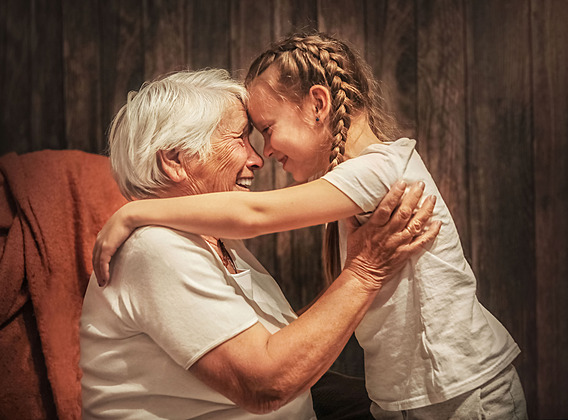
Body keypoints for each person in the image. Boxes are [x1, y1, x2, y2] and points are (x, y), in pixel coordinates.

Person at [93, 33, 527, 419]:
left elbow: (254, 216)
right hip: (418, 393)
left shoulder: (378, 169)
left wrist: (133, 211)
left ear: (319, 105)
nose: (261, 156)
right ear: (174, 160)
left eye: (264, 130)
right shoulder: (156, 251)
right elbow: (266, 380)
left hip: (458, 387)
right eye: (244, 137)